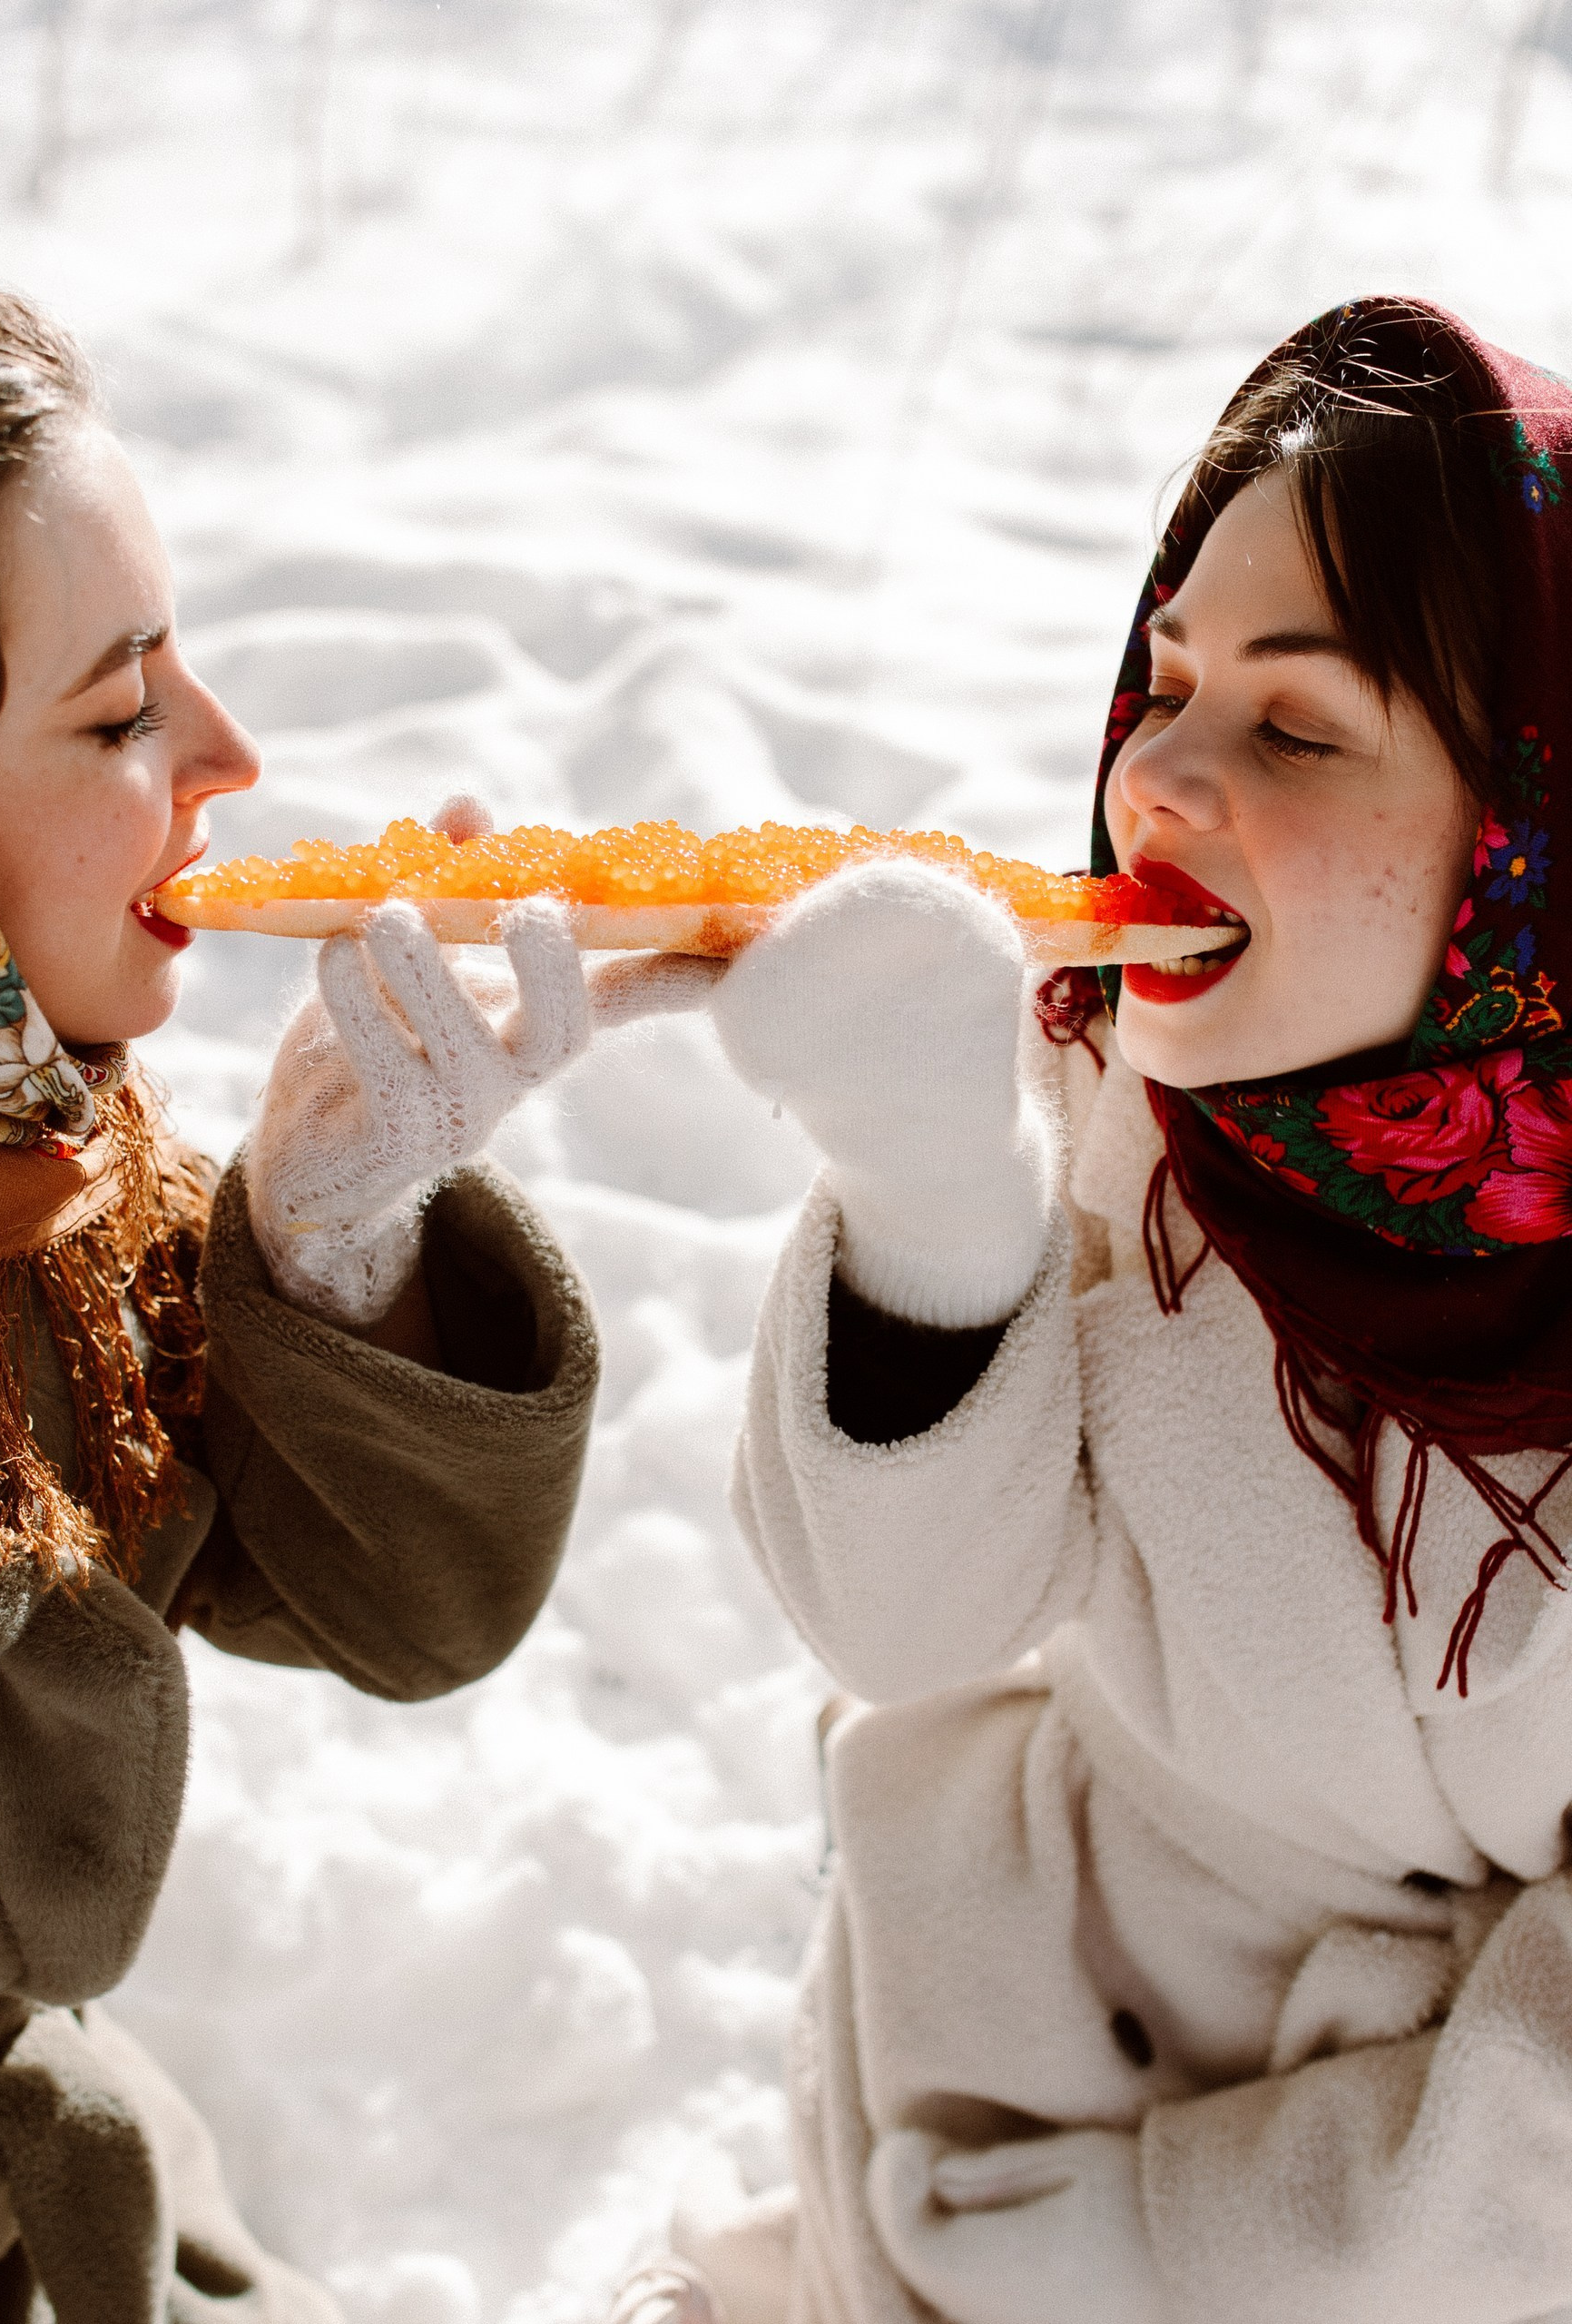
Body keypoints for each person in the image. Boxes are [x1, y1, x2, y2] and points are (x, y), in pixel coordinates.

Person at [0, 234, 709, 2319]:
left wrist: (327, 1247)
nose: (229, 750)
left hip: (24, 2224)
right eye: (118, 708)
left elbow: (394, 1608)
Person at [637, 295, 1572, 2324]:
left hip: (1394, 2234)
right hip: (973, 2060)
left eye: (1293, 725)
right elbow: (902, 1620)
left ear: (1530, 827)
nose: (1156, 766)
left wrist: (1182, 2235)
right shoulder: (1126, 1109)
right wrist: (922, 1192)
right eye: (1162, 679)